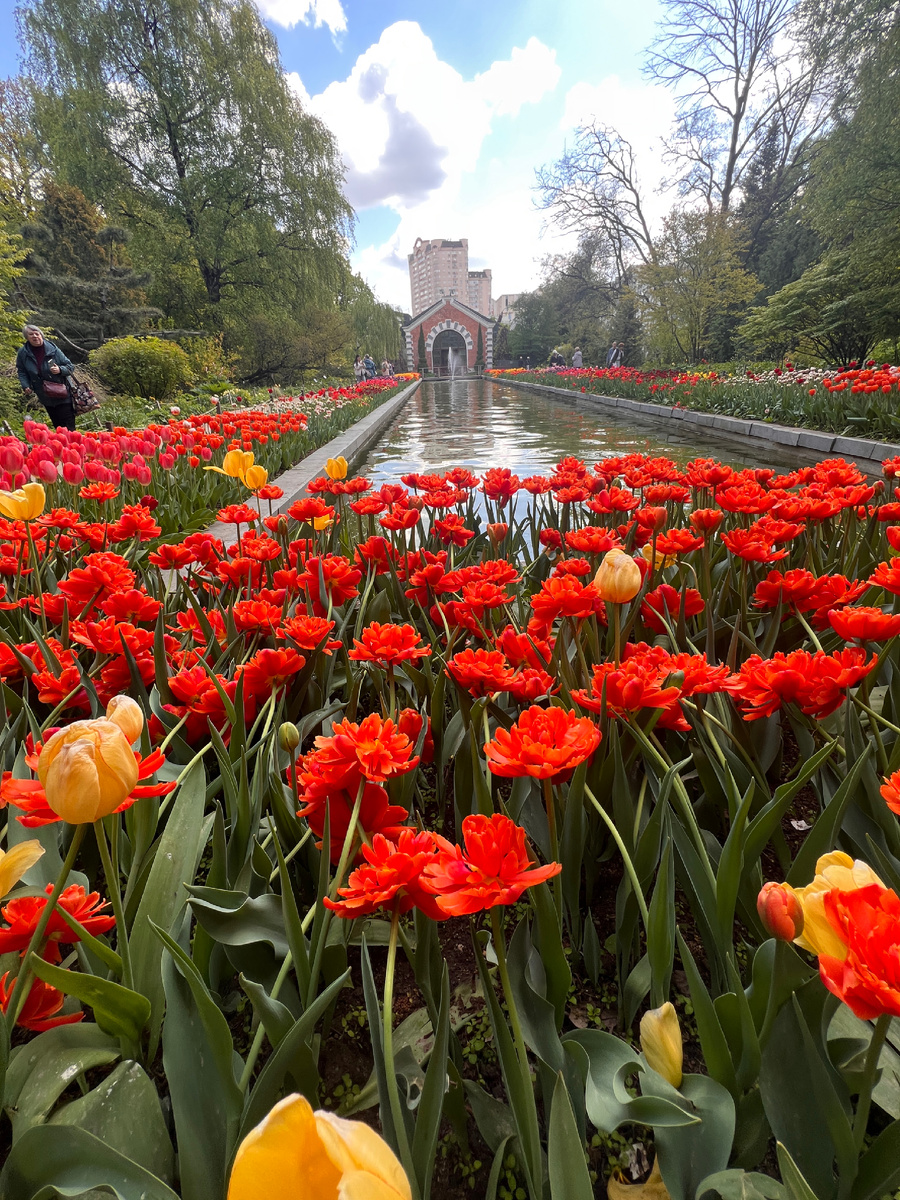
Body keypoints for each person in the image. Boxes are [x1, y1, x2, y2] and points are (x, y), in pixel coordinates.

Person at [16, 325, 77, 430]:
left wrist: (60, 370)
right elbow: (22, 371)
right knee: (57, 425)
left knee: (68, 426)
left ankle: (73, 445)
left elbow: (70, 367)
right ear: (27, 337)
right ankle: (62, 446)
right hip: (44, 394)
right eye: (31, 334)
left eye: (37, 333)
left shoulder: (53, 349)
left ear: (41, 335)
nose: (35, 336)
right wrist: (25, 385)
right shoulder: (23, 353)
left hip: (62, 393)